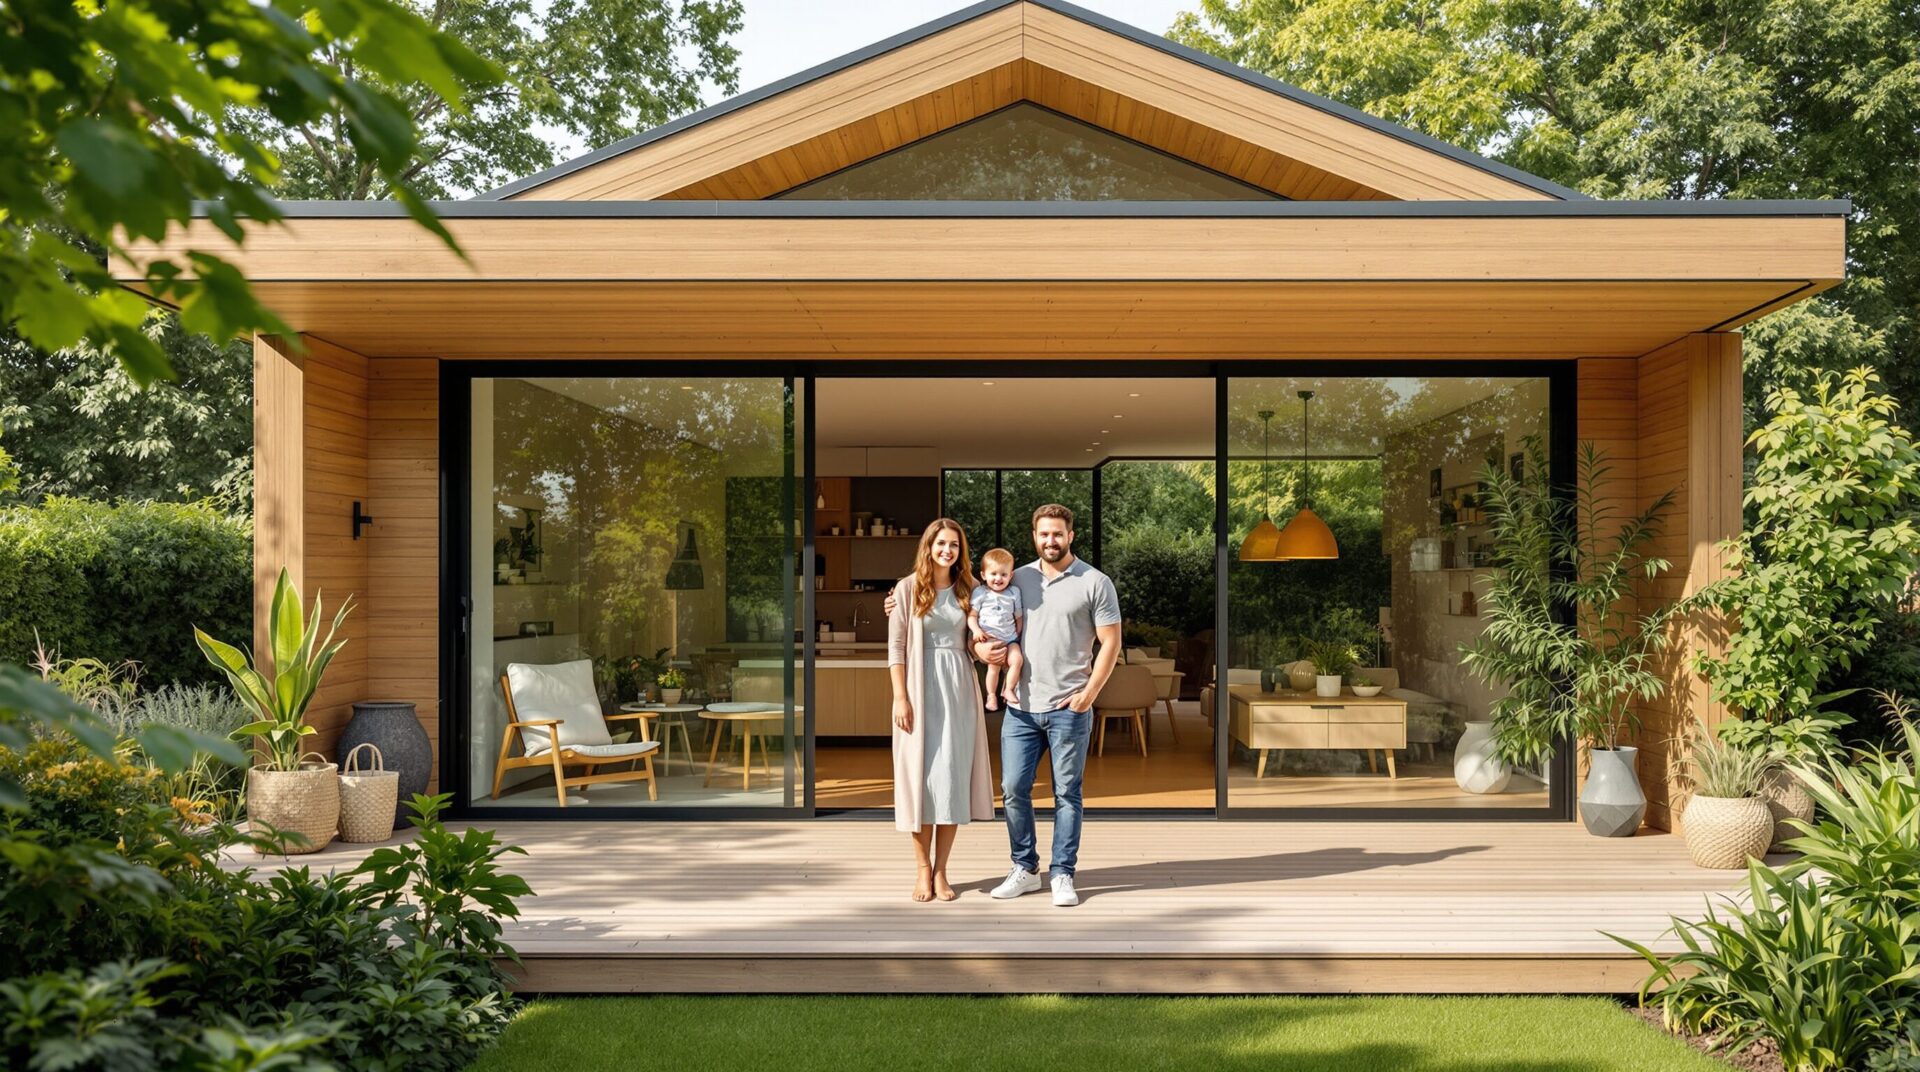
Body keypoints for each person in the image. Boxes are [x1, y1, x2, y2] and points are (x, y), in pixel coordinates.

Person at [887, 503, 1121, 907]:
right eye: (1043, 533)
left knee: (1065, 793)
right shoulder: (1017, 578)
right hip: (1017, 707)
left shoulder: (1094, 582)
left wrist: (1088, 695)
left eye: (1058, 533)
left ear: (1071, 536)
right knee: (1011, 790)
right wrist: (895, 605)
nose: (1051, 540)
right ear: (1034, 537)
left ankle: (1062, 873)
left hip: (1065, 706)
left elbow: (1111, 642)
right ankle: (1024, 868)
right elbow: (963, 628)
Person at [887, 518, 995, 903]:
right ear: (928, 547)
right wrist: (901, 697)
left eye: (954, 545)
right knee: (921, 780)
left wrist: (988, 649)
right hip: (918, 690)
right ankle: (920, 871)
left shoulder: (972, 590)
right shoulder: (906, 590)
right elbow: (896, 649)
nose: (947, 550)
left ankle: (942, 871)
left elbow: (994, 621)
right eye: (941, 544)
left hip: (958, 693)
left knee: (949, 781)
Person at [968, 548, 1025, 712]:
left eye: (1003, 574)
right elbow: (971, 616)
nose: (998, 578)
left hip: (1011, 638)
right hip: (991, 638)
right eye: (993, 574)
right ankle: (991, 695)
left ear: (1011, 576)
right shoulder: (980, 592)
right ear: (983, 575)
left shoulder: (1014, 592)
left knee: (1017, 660)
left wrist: (1019, 635)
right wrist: (977, 631)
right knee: (994, 667)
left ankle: (1008, 689)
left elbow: (1018, 616)